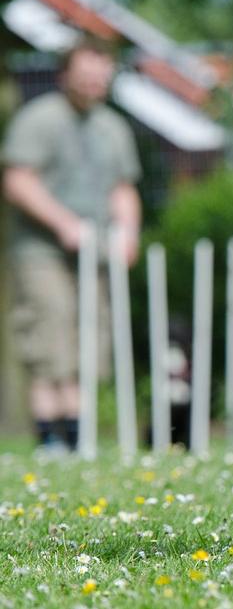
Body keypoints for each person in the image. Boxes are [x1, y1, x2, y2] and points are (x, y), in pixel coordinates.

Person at [2, 39, 142, 453]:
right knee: (50, 338)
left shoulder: (112, 127)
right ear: (66, 75)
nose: (94, 80)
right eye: (86, 73)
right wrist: (63, 223)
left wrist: (128, 233)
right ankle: (50, 440)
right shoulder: (38, 119)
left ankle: (80, 439)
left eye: (102, 73)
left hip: (93, 253)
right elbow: (18, 180)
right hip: (41, 251)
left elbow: (122, 188)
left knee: (89, 343)